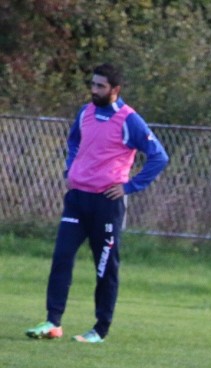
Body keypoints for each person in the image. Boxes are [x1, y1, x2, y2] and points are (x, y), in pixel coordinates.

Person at [25, 62, 169, 344]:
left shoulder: (129, 120)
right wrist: (71, 169)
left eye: (100, 86)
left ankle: (99, 329)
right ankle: (53, 322)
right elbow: (74, 142)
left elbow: (159, 156)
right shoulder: (86, 112)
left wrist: (130, 186)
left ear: (115, 90)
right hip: (77, 199)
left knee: (105, 266)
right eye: (92, 84)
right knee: (61, 258)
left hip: (106, 203)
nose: (94, 90)